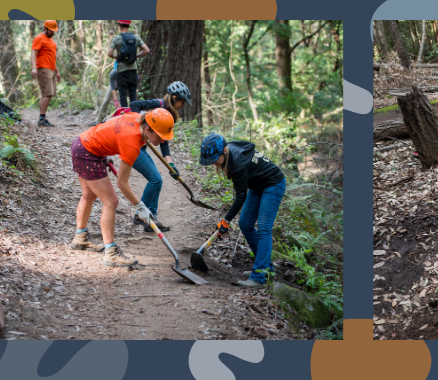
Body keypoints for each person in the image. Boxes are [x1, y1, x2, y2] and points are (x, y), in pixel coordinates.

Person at [69, 108, 176, 268]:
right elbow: (122, 183)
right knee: (111, 202)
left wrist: (104, 148)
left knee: (89, 195)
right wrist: (140, 207)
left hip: (82, 143)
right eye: (160, 136)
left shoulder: (138, 117)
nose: (162, 141)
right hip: (87, 153)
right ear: (148, 129)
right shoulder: (131, 143)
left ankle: (80, 238)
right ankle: (111, 254)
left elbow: (111, 123)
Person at [198, 134, 287, 287]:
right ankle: (265, 267)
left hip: (273, 184)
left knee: (264, 229)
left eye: (214, 160)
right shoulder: (229, 153)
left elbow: (241, 197)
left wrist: (226, 221)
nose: (213, 164)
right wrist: (227, 220)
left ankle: (259, 276)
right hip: (257, 185)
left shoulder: (238, 162)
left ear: (224, 151)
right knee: (245, 224)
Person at [112, 81, 194, 232]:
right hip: (132, 143)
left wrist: (171, 165)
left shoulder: (169, 116)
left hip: (141, 145)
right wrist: (140, 123)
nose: (183, 105)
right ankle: (140, 215)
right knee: (155, 179)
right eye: (182, 102)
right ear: (175, 98)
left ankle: (152, 218)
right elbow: (135, 104)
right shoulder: (158, 105)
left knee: (157, 180)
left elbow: (164, 142)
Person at [108, 20, 150, 108]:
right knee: (133, 94)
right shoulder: (135, 37)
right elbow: (146, 50)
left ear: (120, 25)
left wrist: (117, 57)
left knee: (122, 95)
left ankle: (124, 113)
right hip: (133, 70)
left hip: (122, 71)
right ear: (129, 25)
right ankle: (134, 113)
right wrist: (136, 56)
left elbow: (110, 53)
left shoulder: (117, 38)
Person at [31, 20, 60, 128]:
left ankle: (42, 118)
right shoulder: (39, 38)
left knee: (46, 94)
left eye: (54, 30)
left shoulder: (51, 41)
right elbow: (33, 53)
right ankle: (42, 118)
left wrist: (57, 71)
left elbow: (52, 57)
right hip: (43, 68)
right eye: (51, 30)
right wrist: (34, 68)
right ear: (45, 28)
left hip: (51, 69)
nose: (52, 32)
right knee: (48, 94)